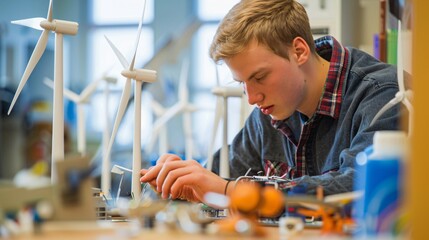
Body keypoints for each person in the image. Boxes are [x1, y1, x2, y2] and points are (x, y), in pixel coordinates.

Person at [140, 0, 407, 202]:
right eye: (242, 83)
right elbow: (214, 177)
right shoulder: (269, 114)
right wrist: (178, 181)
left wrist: (231, 190)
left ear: (299, 51)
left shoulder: (387, 95)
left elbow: (361, 186)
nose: (252, 98)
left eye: (260, 77)